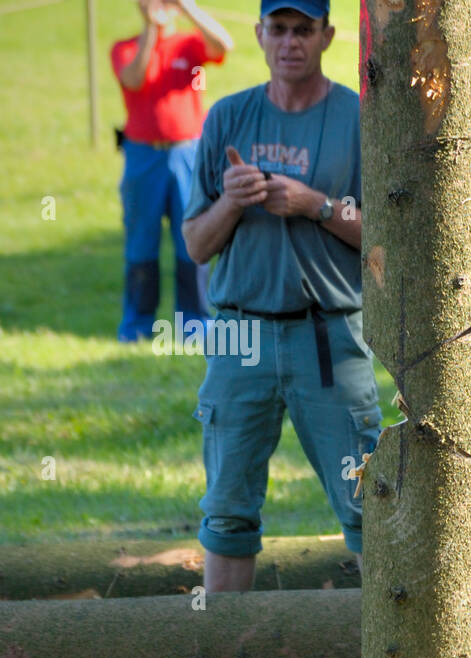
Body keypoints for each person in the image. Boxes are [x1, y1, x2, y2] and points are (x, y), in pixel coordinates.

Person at [181, 0, 380, 591]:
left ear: (327, 36)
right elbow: (195, 243)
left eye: (303, 30)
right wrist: (231, 201)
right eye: (279, 29)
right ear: (259, 34)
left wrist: (313, 205)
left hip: (329, 336)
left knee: (370, 506)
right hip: (240, 335)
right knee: (227, 511)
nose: (290, 42)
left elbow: (386, 236)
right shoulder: (227, 118)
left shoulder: (357, 119)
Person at [111, 0, 232, 342]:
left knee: (191, 238)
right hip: (142, 157)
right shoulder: (125, 48)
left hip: (187, 154)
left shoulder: (190, 45)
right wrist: (152, 27)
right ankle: (137, 324)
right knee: (141, 241)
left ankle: (194, 324)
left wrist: (187, 6)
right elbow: (133, 80)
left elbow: (224, 45)